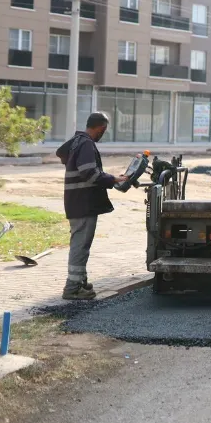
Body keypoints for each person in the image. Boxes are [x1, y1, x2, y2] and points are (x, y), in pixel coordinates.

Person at [55, 112, 128, 300]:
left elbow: (79, 166)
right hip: (84, 203)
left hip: (76, 202)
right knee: (80, 246)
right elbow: (89, 173)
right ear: (101, 128)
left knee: (81, 244)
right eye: (104, 130)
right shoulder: (86, 144)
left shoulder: (77, 141)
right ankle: (72, 288)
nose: (103, 133)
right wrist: (113, 179)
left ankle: (80, 281)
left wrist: (111, 178)